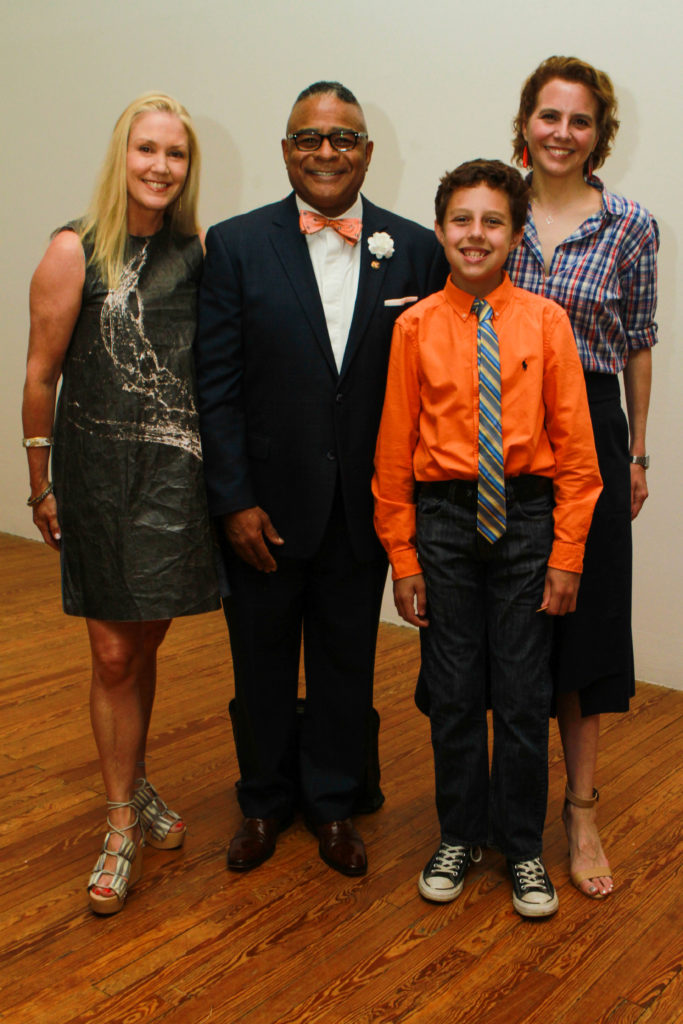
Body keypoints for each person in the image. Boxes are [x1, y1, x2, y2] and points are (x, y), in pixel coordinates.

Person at [194, 80, 447, 877]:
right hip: (262, 508)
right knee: (259, 663)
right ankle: (264, 801)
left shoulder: (415, 249)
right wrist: (233, 499)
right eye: (309, 137)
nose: (326, 151)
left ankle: (334, 804)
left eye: (343, 138)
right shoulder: (235, 245)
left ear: (366, 152)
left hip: (363, 506)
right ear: (286, 150)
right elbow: (216, 386)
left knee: (346, 663)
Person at [373, 159, 602, 917]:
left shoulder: (546, 322)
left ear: (515, 234)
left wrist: (566, 554)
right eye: (462, 220)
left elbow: (577, 455)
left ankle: (522, 846)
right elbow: (393, 453)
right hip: (442, 523)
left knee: (524, 692)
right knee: (452, 692)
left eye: (493, 222)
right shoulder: (412, 327)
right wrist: (402, 556)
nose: (476, 234)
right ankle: (460, 834)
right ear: (441, 231)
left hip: (526, 522)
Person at [22, 92, 219, 915]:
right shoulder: (73, 250)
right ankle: (118, 823)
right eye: (147, 149)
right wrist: (40, 480)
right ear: (121, 155)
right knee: (110, 655)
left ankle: (132, 777)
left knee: (143, 643)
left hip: (175, 481)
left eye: (175, 153)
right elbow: (41, 373)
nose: (160, 166)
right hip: (97, 478)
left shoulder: (199, 254)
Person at [507, 56, 658, 899]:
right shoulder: (493, 206)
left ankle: (581, 811)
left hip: (592, 428)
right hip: (497, 427)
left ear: (599, 134)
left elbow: (637, 343)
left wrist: (635, 453)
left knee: (586, 622)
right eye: (548, 115)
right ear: (524, 122)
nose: (561, 132)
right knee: (505, 618)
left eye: (579, 120)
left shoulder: (630, 226)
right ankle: (506, 807)